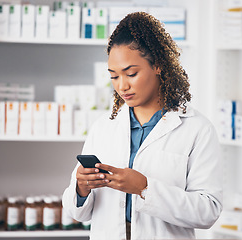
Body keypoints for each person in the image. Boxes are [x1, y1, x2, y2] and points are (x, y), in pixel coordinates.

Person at [62, 12, 222, 240]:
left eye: (131, 73)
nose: (122, 86)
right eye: (114, 77)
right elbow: (76, 212)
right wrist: (81, 188)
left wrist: (145, 188)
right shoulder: (103, 128)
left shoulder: (197, 129)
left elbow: (208, 211)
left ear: (157, 65)